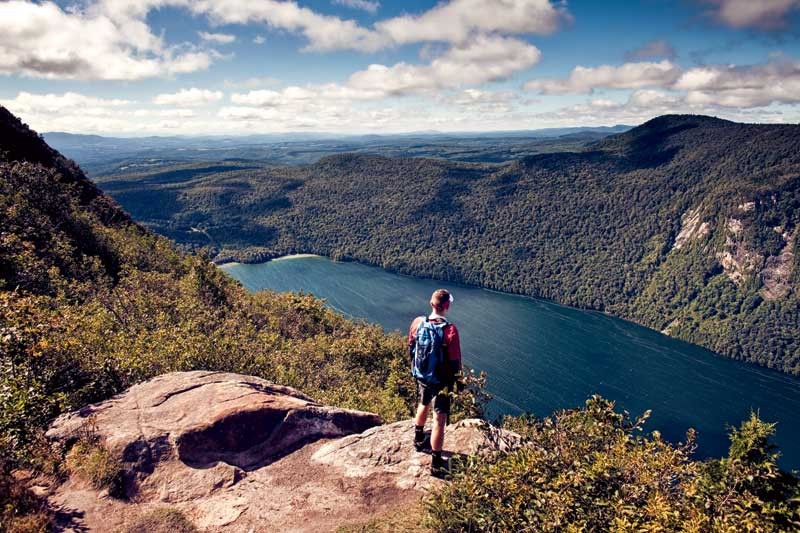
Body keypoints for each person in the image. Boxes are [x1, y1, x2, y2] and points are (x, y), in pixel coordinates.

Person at [408, 288, 463, 477]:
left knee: (423, 403)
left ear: (432, 304)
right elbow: (455, 361)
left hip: (423, 374)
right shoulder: (450, 330)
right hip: (442, 381)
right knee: (439, 419)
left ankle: (417, 438)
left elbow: (411, 347)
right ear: (446, 306)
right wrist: (459, 382)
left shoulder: (418, 323)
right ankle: (436, 463)